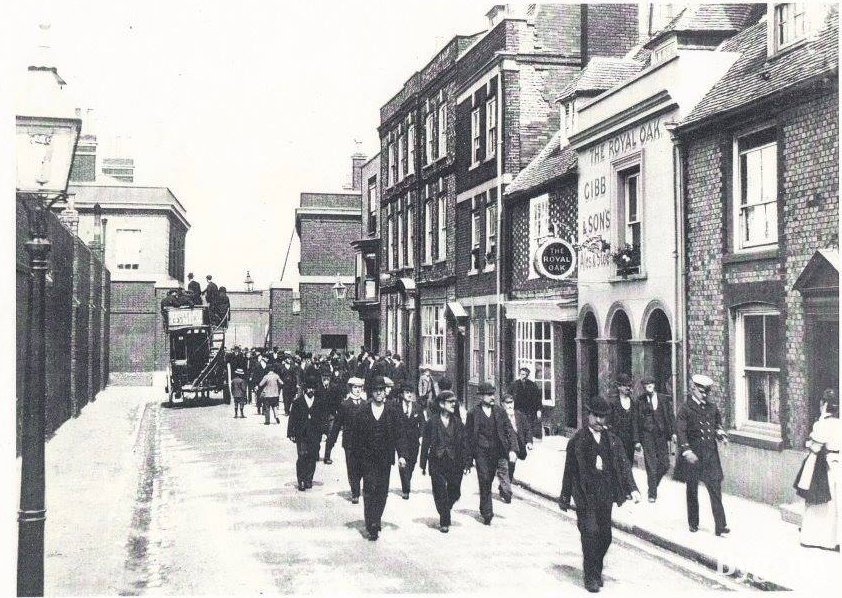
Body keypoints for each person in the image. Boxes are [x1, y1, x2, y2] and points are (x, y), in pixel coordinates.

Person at [559, 396, 641, 593]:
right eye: (595, 416)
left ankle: (596, 568)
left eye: (603, 417)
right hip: (585, 496)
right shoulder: (577, 441)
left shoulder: (613, 441)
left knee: (605, 537)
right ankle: (591, 577)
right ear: (588, 415)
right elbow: (569, 470)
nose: (599, 421)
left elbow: (623, 466)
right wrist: (564, 496)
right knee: (589, 533)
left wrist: (633, 489)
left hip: (606, 495)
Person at [350, 376, 408, 541]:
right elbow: (356, 437)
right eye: (376, 391)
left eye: (381, 390)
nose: (379, 393)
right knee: (369, 490)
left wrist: (402, 455)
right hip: (367, 458)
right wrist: (355, 459)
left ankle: (377, 518)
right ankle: (371, 524)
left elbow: (399, 435)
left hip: (385, 458)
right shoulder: (363, 410)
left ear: (385, 392)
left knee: (382, 491)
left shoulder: (392, 410)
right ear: (371, 393)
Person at [675, 374, 730, 536]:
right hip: (693, 455)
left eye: (706, 392)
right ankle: (693, 522)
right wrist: (686, 450)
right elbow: (681, 431)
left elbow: (717, 425)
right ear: (693, 389)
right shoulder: (685, 409)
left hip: (710, 455)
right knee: (692, 489)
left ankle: (720, 525)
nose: (704, 394)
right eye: (701, 391)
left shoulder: (712, 408)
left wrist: (721, 434)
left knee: (715, 488)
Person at [465, 382, 518, 522]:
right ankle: (487, 512)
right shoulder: (473, 413)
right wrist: (467, 460)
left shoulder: (500, 412)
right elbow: (467, 437)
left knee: (491, 479)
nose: (492, 397)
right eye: (489, 395)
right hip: (480, 452)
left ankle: (486, 507)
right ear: (481, 396)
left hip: (497, 451)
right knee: (484, 480)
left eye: (493, 394)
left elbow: (509, 430)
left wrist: (513, 449)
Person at [797, 389, 840, 550]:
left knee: (820, 502)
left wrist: (809, 443)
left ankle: (817, 538)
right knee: (836, 502)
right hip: (838, 464)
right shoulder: (839, 423)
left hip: (825, 465)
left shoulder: (821, 425)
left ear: (824, 404)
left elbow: (815, 446)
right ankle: (835, 539)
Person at [420, 390, 468, 533]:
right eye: (450, 402)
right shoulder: (432, 422)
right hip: (437, 460)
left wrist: (467, 462)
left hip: (455, 462)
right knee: (440, 490)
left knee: (455, 492)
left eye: (455, 402)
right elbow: (425, 444)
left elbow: (465, 444)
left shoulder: (458, 423)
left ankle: (445, 508)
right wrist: (423, 463)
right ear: (441, 404)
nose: (454, 404)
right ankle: (444, 520)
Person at [325, 377, 368, 502]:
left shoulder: (366, 404)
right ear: (350, 389)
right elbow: (337, 425)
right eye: (355, 388)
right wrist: (330, 444)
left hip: (364, 443)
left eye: (360, 388)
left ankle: (359, 487)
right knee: (352, 468)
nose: (358, 390)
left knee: (363, 467)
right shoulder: (345, 405)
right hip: (349, 443)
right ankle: (355, 492)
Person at [634, 375, 676, 502]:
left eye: (650, 385)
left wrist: (673, 432)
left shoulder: (663, 399)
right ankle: (652, 493)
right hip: (647, 436)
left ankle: (653, 485)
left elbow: (670, 417)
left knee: (665, 464)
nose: (648, 387)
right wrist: (636, 440)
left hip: (661, 435)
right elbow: (635, 421)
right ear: (644, 387)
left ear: (654, 385)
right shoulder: (640, 401)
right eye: (646, 386)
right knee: (651, 464)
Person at [288, 381, 327, 491]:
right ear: (305, 389)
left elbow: (324, 418)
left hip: (315, 433)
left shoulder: (319, 402)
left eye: (313, 388)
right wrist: (291, 433)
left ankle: (309, 479)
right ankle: (301, 480)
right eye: (309, 388)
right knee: (302, 456)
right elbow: (292, 418)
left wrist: (324, 432)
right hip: (301, 434)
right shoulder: (297, 402)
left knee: (313, 456)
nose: (311, 390)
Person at [397, 383, 426, 499]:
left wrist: (421, 434)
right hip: (401, 440)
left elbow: (423, 422)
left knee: (412, 463)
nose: (409, 395)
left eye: (411, 392)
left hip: (414, 441)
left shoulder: (417, 407)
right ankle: (405, 488)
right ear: (402, 394)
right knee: (403, 463)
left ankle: (406, 480)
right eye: (407, 392)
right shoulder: (397, 407)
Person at [501, 394, 533, 482]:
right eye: (507, 403)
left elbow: (527, 429)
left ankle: (506, 484)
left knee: (511, 465)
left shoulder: (519, 415)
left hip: (518, 445)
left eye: (511, 402)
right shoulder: (499, 416)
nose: (510, 405)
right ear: (502, 404)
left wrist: (529, 442)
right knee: (510, 461)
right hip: (505, 446)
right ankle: (506, 486)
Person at [608, 373, 637, 464]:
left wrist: (636, 440)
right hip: (617, 438)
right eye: (625, 386)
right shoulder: (613, 403)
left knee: (629, 464)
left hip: (629, 440)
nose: (628, 388)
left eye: (629, 386)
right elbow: (608, 422)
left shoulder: (633, 403)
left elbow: (635, 422)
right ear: (619, 387)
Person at [510, 366, 543, 439]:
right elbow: (509, 396)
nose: (523, 376)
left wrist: (539, 409)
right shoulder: (514, 385)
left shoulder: (532, 385)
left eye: (525, 375)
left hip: (529, 410)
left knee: (529, 426)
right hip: (518, 408)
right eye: (521, 374)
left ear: (527, 375)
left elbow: (538, 398)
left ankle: (529, 439)